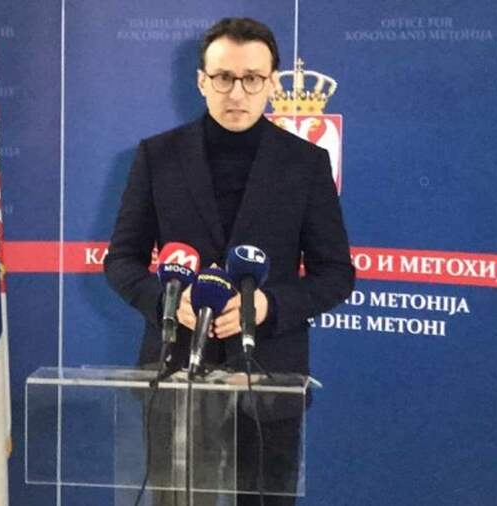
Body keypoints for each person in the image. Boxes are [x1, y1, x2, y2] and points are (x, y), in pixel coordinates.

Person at [104, 17, 354, 506]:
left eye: (252, 78)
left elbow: (336, 274)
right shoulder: (157, 156)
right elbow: (122, 261)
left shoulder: (305, 163)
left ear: (272, 83)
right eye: (223, 78)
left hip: (268, 380)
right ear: (202, 81)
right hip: (176, 374)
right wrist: (167, 302)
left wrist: (268, 306)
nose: (237, 93)